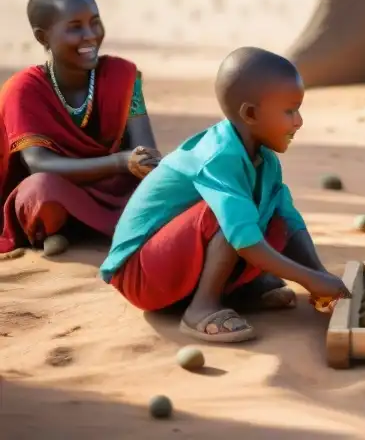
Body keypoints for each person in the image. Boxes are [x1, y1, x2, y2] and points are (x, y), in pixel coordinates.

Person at [99, 46, 348, 344]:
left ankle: (239, 288)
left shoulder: (264, 158)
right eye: (290, 111)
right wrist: (308, 279)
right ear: (251, 114)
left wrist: (319, 275)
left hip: (177, 261)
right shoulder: (218, 157)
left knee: (271, 208)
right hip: (142, 275)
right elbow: (242, 237)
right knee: (226, 215)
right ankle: (201, 307)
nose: (298, 121)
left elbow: (287, 220)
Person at [0, 0, 161, 256]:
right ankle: (58, 231)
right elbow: (39, 163)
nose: (90, 35)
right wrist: (120, 162)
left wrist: (146, 164)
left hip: (115, 188)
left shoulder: (122, 76)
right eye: (75, 27)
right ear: (43, 37)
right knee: (39, 191)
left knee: (166, 187)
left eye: (95, 22)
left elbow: (145, 151)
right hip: (60, 189)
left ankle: (98, 228)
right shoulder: (24, 88)